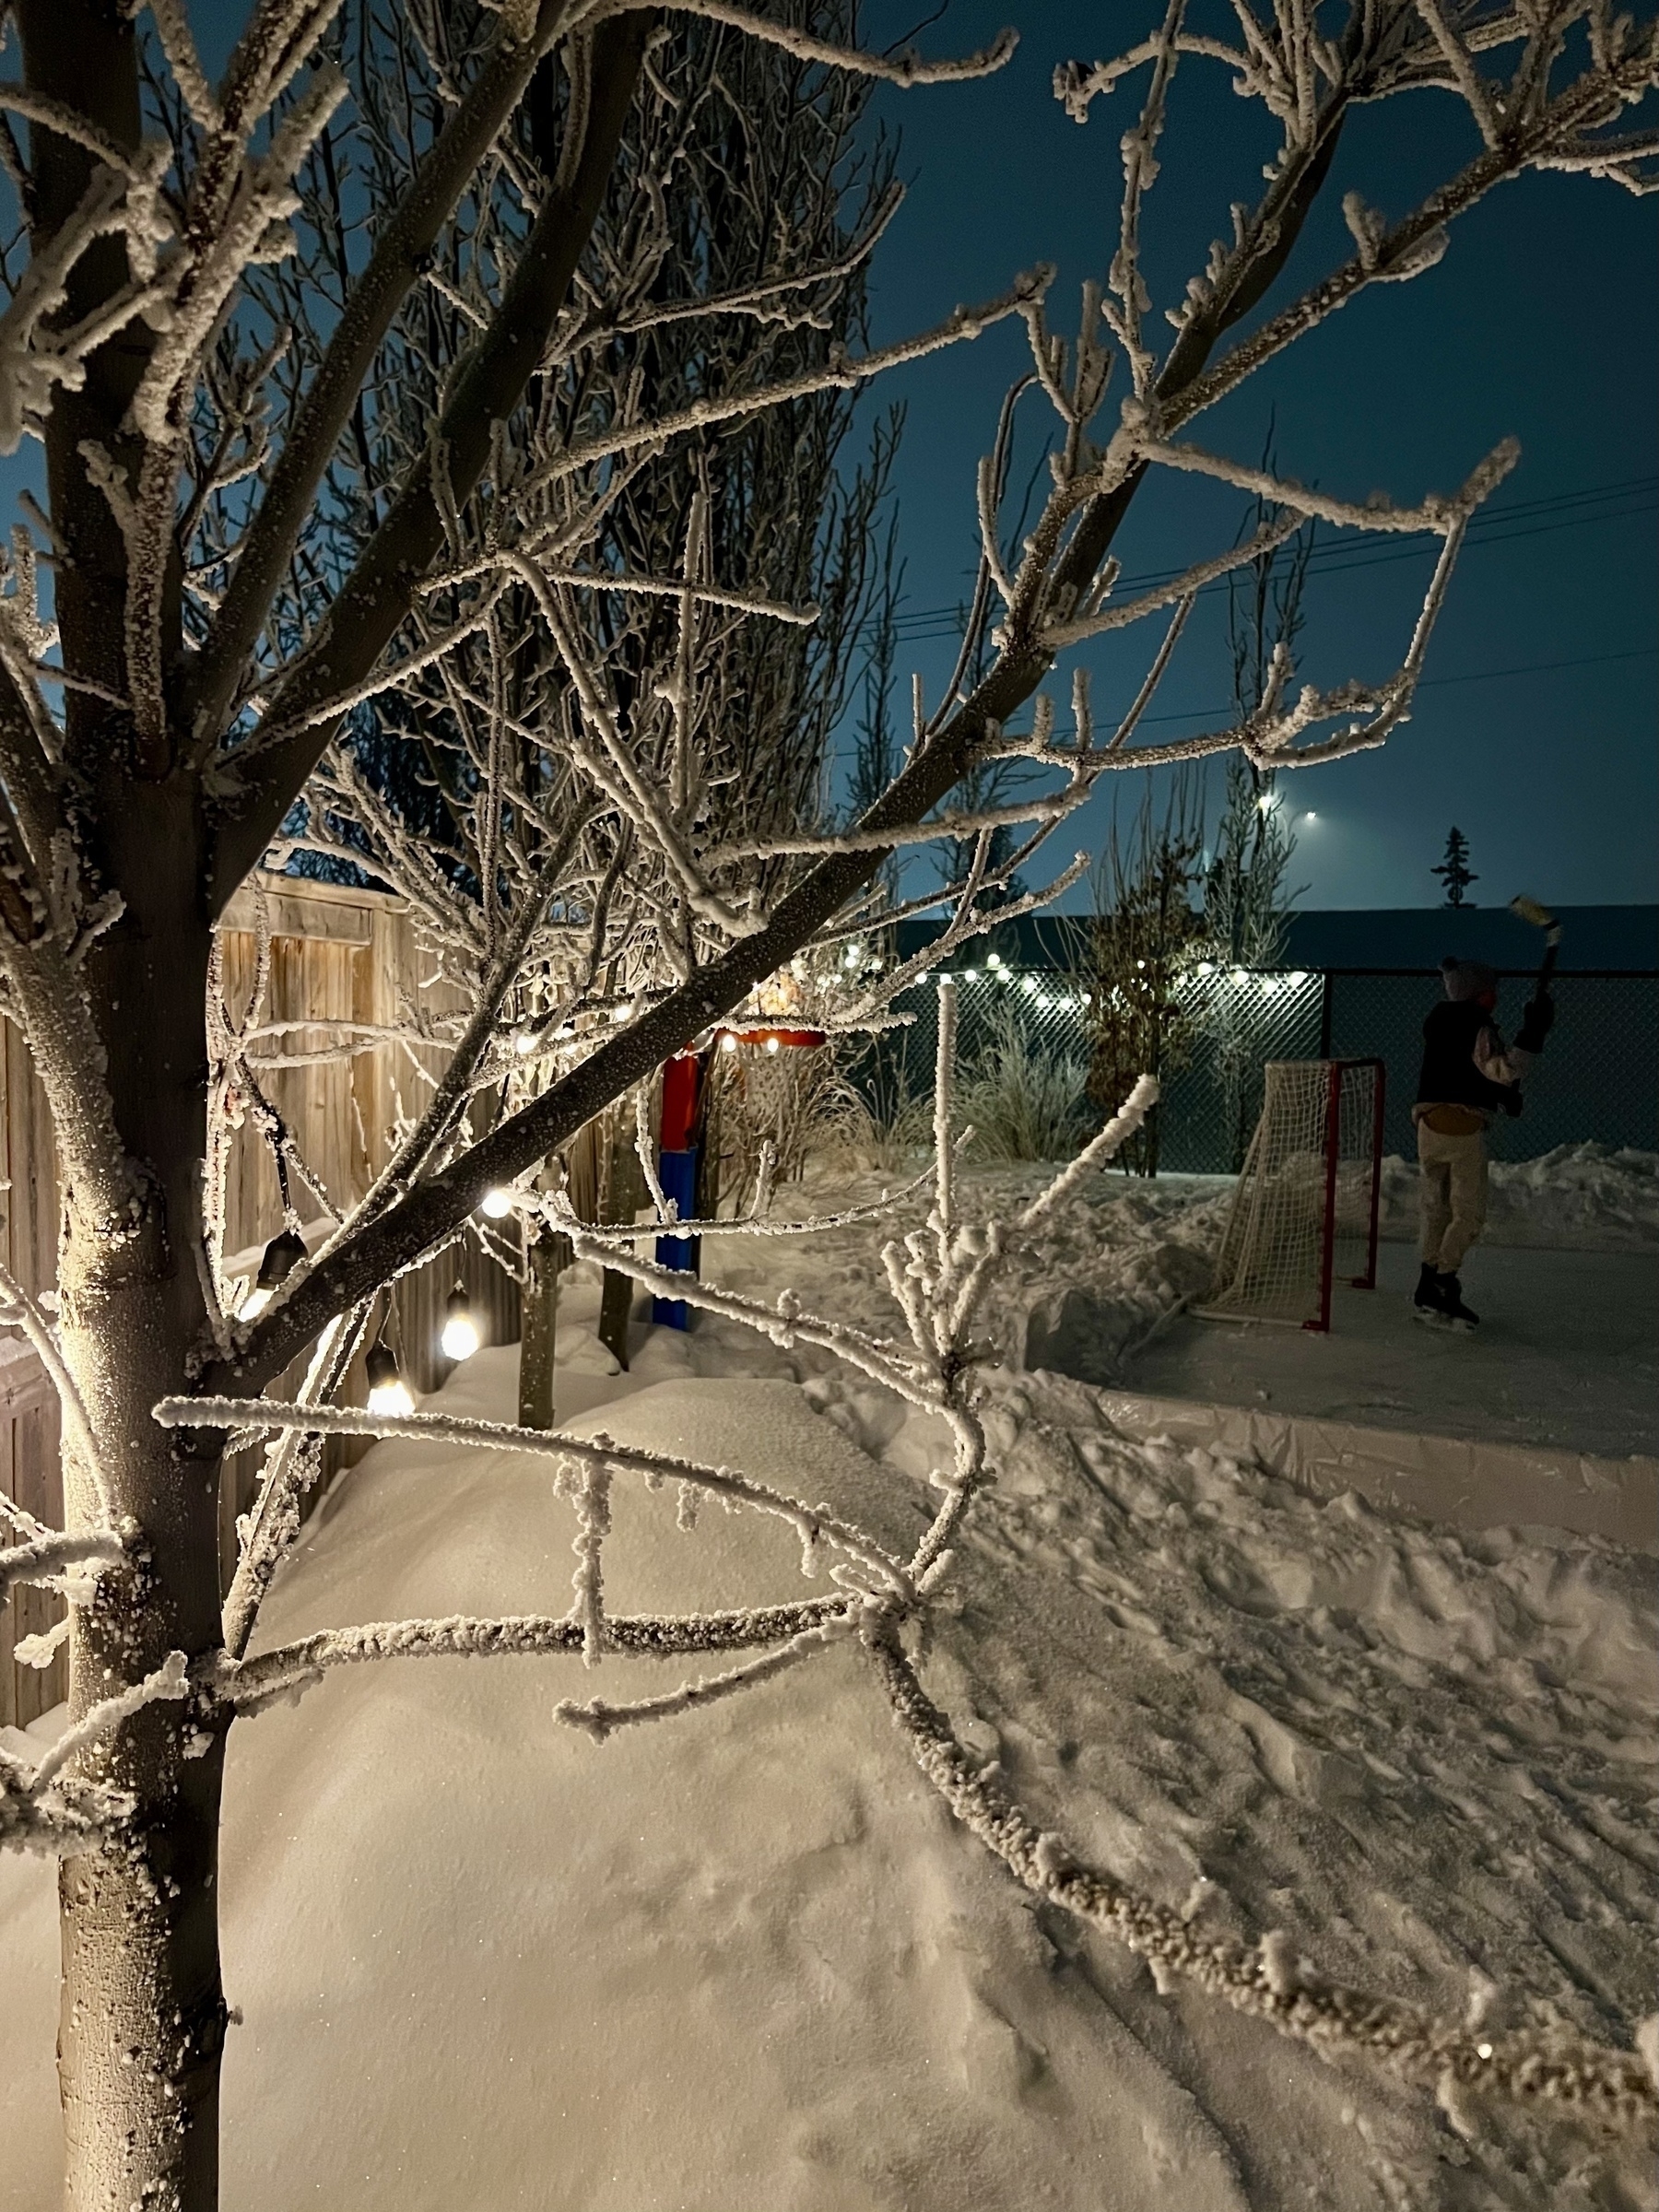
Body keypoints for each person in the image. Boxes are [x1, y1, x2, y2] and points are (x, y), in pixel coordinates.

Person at [1411, 957, 1554, 1328]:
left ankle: (1427, 1280)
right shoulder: (1477, 1026)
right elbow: (1504, 1069)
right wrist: (1532, 1034)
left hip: (1428, 1123)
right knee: (1468, 1212)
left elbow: (1461, 1069)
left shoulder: (1439, 1020)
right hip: (1461, 1126)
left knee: (1437, 1207)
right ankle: (1443, 1281)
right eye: (1490, 990)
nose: (1495, 996)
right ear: (1479, 994)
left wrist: (1498, 1097)